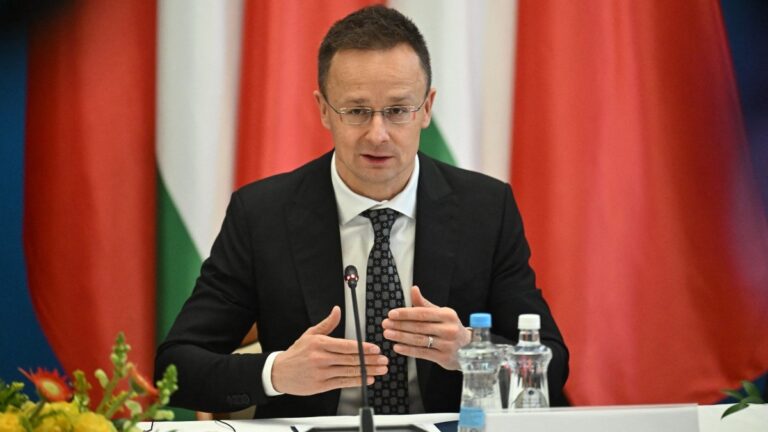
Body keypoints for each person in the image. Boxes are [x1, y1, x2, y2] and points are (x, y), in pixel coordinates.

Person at [155, 5, 569, 419]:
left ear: (426, 108)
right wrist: (277, 372)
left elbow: (553, 367)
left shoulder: (485, 209)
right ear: (322, 109)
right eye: (356, 111)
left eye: (397, 110)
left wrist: (470, 354)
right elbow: (176, 367)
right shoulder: (263, 214)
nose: (378, 134)